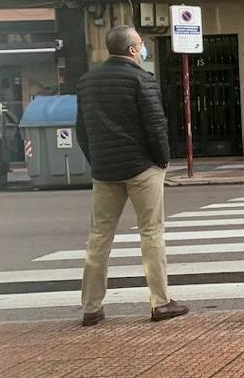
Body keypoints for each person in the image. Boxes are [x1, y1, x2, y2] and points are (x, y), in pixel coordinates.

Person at [75, 25, 187, 326]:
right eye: (141, 43)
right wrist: (162, 160)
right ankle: (160, 302)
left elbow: (82, 131)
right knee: (151, 232)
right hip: (141, 167)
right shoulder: (141, 79)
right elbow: (155, 124)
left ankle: (91, 306)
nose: (144, 47)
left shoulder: (87, 82)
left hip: (105, 169)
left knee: (99, 236)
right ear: (133, 50)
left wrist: (96, 159)